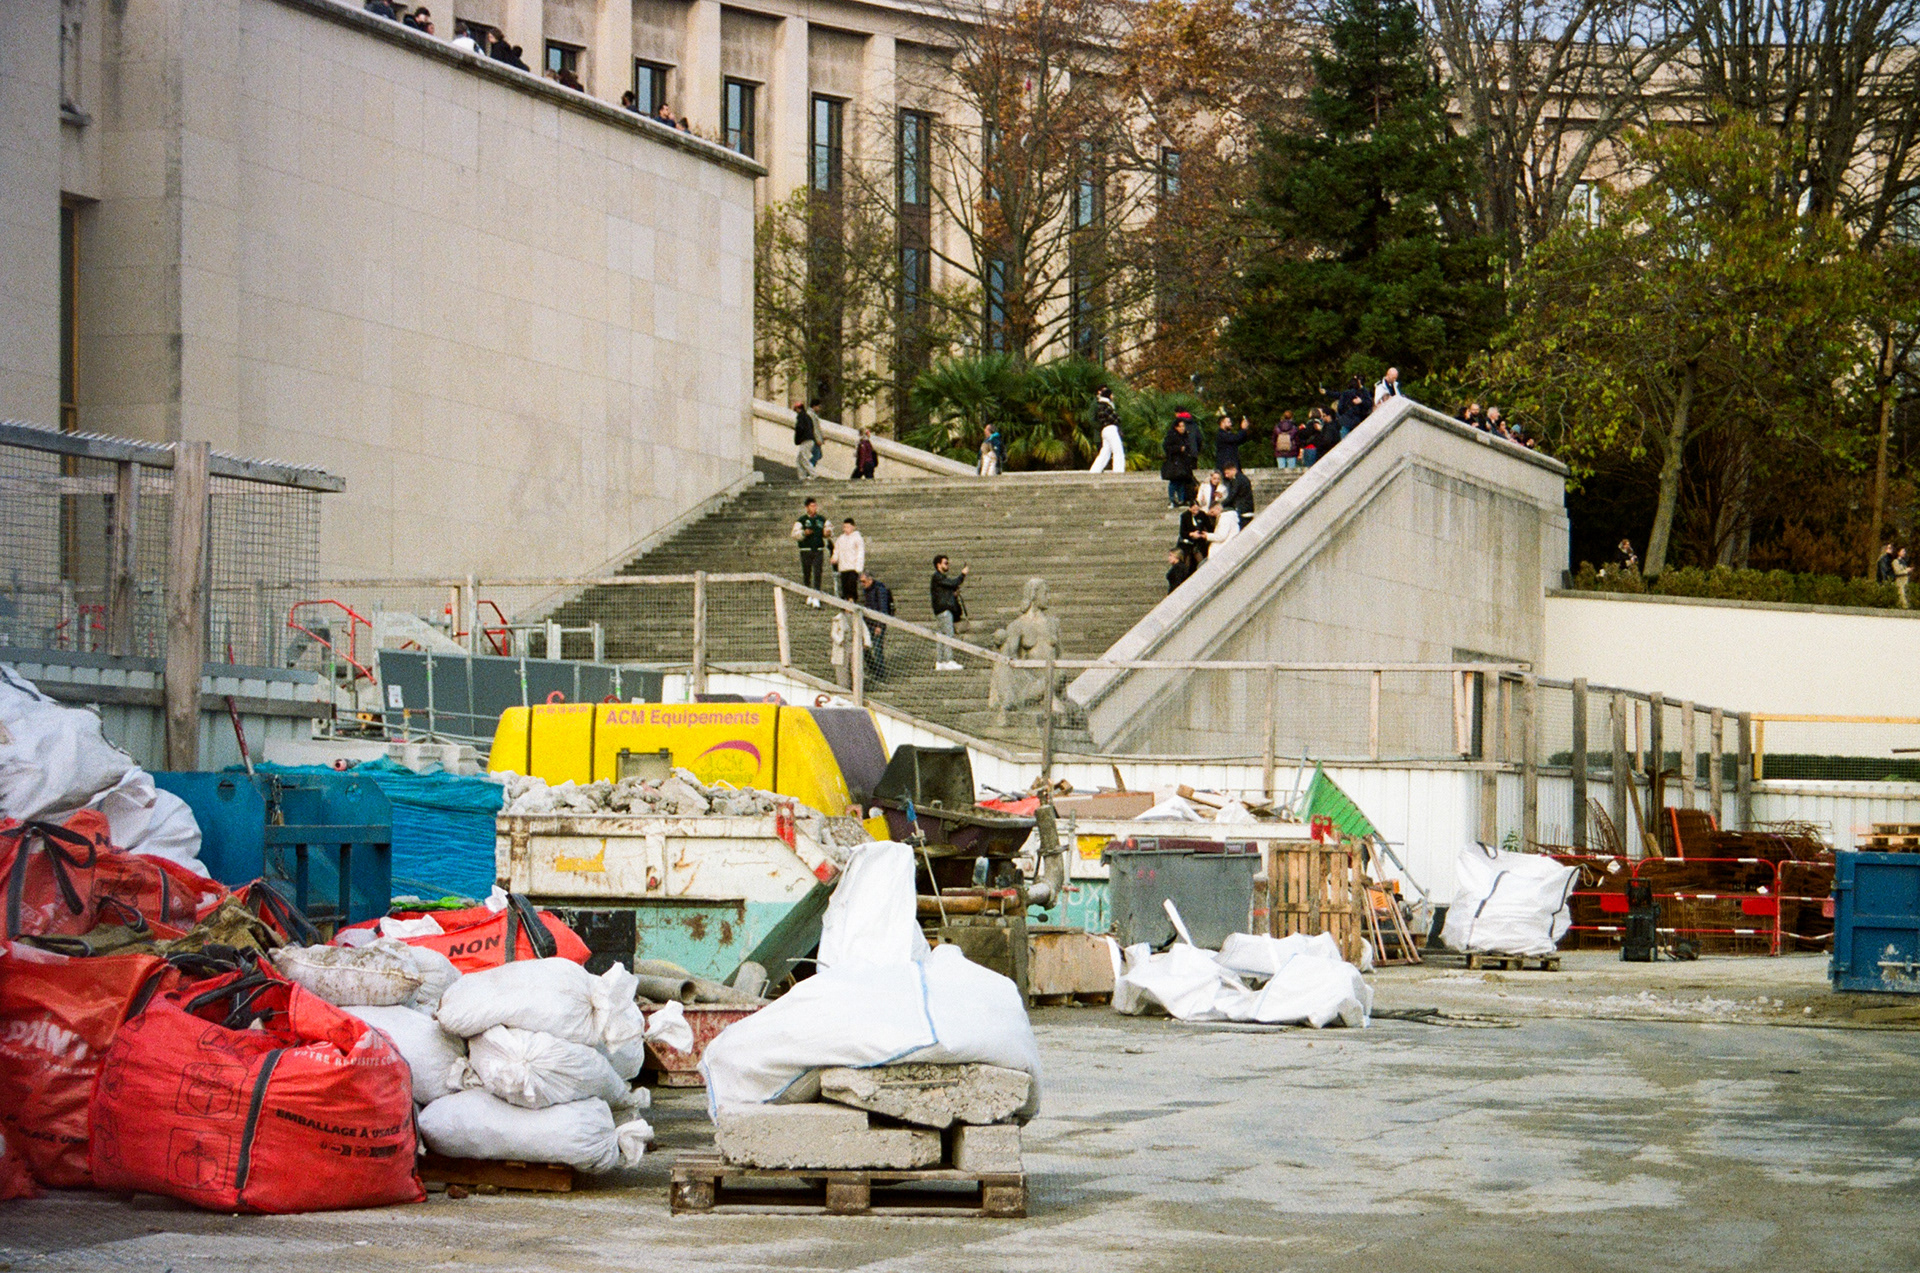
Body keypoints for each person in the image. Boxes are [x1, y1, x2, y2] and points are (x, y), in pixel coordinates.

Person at [930, 556, 969, 669]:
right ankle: (948, 660)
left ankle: (940, 661)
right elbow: (953, 583)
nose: (948, 565)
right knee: (948, 635)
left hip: (941, 610)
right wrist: (963, 574)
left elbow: (947, 590)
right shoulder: (937, 577)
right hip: (944, 611)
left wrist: (953, 595)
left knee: (942, 635)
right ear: (938, 565)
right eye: (945, 563)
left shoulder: (939, 578)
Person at [791, 497, 828, 601]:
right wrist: (803, 533)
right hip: (806, 549)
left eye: (815, 505)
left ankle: (816, 594)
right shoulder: (801, 520)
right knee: (807, 572)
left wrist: (827, 533)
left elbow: (828, 530)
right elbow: (794, 534)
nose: (814, 508)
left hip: (818, 549)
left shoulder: (821, 519)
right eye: (812, 506)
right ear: (807, 507)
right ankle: (808, 593)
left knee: (817, 572)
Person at [859, 571, 894, 680]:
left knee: (877, 649)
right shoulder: (867, 591)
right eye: (861, 582)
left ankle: (880, 673)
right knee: (866, 649)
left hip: (877, 624)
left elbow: (883, 608)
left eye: (864, 582)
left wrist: (879, 625)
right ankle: (874, 670)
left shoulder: (880, 589)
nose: (862, 584)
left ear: (870, 580)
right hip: (868, 623)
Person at [1161, 416, 1196, 508]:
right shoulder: (1171, 436)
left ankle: (1182, 499)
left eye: (1183, 426)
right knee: (1174, 482)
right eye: (1180, 426)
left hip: (1183, 462)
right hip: (1174, 463)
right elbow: (1166, 447)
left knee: (1181, 482)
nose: (1182, 428)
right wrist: (1178, 449)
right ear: (1176, 427)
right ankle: (1172, 499)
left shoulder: (1185, 436)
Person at [1088, 386, 1125, 472]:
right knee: (1118, 450)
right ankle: (1118, 470)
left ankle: (1095, 470)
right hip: (1111, 429)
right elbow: (1115, 419)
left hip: (1105, 430)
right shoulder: (1107, 406)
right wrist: (1118, 419)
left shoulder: (1100, 405)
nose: (1113, 396)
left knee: (1105, 452)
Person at [832, 518, 865, 601]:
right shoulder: (841, 538)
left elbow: (860, 553)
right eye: (844, 527)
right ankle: (846, 602)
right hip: (843, 567)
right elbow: (837, 550)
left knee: (851, 586)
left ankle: (852, 601)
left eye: (848, 527)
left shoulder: (857, 538)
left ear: (853, 527)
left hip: (853, 567)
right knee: (845, 587)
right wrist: (835, 558)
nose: (846, 529)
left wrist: (858, 567)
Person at [1183, 498, 1218, 564]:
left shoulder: (1202, 514)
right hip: (1189, 541)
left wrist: (1206, 535)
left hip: (1200, 540)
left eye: (1197, 509)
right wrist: (1191, 534)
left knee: (1200, 556)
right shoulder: (1185, 516)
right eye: (1194, 510)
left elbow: (1209, 527)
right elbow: (1182, 532)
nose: (1196, 511)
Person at [792, 401, 818, 480]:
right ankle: (802, 477)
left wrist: (797, 437)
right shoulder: (807, 417)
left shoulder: (801, 417)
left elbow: (800, 428)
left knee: (803, 458)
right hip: (809, 439)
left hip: (806, 440)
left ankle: (813, 474)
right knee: (799, 459)